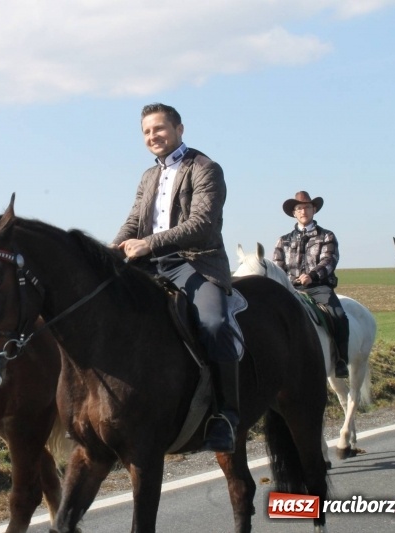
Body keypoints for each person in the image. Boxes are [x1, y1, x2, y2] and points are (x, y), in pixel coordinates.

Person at [111, 103, 239, 453]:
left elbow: (201, 224)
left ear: (179, 129)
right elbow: (134, 221)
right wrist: (111, 249)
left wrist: (149, 243)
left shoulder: (205, 168)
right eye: (146, 132)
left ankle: (225, 415)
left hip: (194, 262)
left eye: (159, 128)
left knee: (214, 323)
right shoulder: (147, 176)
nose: (153, 136)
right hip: (148, 263)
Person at [273, 191, 350, 379]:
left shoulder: (327, 236)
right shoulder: (283, 240)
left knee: (339, 315)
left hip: (318, 287)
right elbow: (277, 266)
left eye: (307, 207)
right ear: (294, 213)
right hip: (291, 289)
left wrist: (312, 276)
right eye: (299, 208)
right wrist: (289, 281)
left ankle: (341, 360)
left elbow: (329, 260)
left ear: (314, 209)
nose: (303, 211)